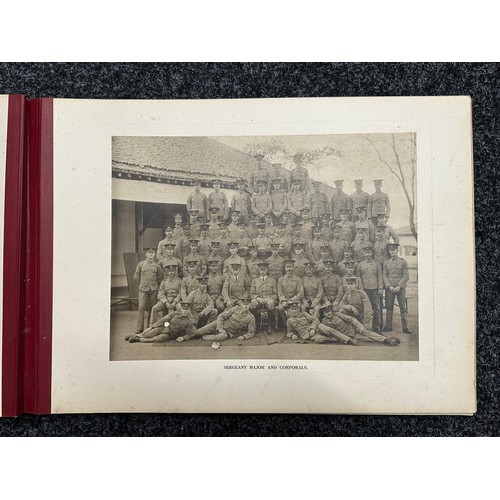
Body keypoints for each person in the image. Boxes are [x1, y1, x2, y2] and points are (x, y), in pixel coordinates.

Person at [319, 304, 399, 346]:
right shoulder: (324, 322)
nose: (328, 313)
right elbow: (331, 333)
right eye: (326, 312)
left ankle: (387, 340)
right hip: (348, 336)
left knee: (367, 333)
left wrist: (360, 327)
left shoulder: (337, 314)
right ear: (323, 314)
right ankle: (391, 338)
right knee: (369, 340)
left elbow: (351, 319)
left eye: (329, 311)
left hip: (353, 329)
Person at [127, 302, 198, 344]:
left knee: (160, 338)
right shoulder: (174, 314)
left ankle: (140, 340)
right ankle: (137, 335)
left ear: (189, 310)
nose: (184, 311)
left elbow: (192, 333)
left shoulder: (190, 321)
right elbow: (163, 320)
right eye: (183, 309)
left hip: (170, 335)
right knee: (150, 333)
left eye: (186, 310)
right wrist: (151, 327)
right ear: (180, 309)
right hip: (164, 327)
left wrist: (183, 338)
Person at [382, 243, 412, 334]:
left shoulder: (403, 262)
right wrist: (389, 286)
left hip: (400, 288)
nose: (392, 252)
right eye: (390, 250)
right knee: (389, 307)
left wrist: (399, 286)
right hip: (389, 288)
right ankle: (388, 326)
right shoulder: (386, 262)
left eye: (394, 250)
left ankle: (405, 327)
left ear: (397, 251)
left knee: (403, 307)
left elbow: (406, 276)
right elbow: (384, 275)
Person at [133, 248, 162, 334]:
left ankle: (150, 326)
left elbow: (159, 277)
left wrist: (154, 285)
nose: (150, 255)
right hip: (143, 289)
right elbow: (136, 277)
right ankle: (140, 328)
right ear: (146, 254)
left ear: (154, 254)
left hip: (153, 289)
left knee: (152, 308)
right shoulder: (141, 264)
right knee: (141, 307)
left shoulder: (157, 266)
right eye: (149, 253)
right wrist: (142, 284)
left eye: (152, 253)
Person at [357, 246, 384, 332]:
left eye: (369, 252)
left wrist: (380, 288)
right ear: (363, 254)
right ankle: (365, 326)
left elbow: (380, 276)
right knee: (365, 308)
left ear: (372, 253)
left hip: (375, 289)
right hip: (364, 290)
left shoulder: (376, 264)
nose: (367, 254)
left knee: (376, 308)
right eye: (366, 253)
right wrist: (360, 289)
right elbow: (358, 278)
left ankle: (377, 326)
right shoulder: (360, 265)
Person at [250, 262, 278, 333]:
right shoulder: (255, 280)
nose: (262, 271)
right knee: (253, 303)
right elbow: (252, 293)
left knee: (271, 303)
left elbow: (275, 294)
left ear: (267, 270)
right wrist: (257, 298)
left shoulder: (272, 280)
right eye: (261, 270)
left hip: (268, 299)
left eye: (264, 269)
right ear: (259, 270)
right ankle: (255, 325)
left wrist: (270, 298)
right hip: (259, 299)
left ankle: (269, 326)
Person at [277, 260, 304, 325]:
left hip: (295, 300)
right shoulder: (281, 279)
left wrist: (292, 300)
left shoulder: (298, 279)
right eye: (287, 267)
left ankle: (297, 325)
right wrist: (283, 301)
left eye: (290, 267)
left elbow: (300, 292)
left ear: (293, 268)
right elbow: (280, 292)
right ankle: (286, 324)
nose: (289, 269)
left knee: (297, 308)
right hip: (285, 300)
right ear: (285, 268)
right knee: (280, 308)